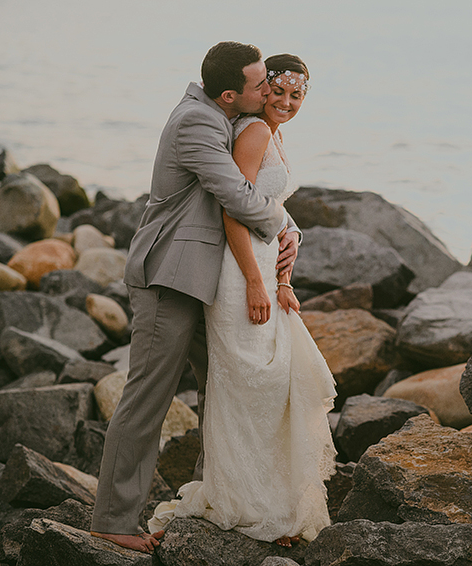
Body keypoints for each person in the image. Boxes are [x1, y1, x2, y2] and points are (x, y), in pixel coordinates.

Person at [90, 42, 301, 554]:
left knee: (227, 389)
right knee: (148, 396)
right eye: (259, 85)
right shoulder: (197, 123)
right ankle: (112, 520)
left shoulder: (228, 116)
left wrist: (287, 229)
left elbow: (252, 189)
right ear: (230, 94)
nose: (269, 89)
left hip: (211, 280)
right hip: (171, 276)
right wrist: (283, 224)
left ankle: (218, 503)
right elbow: (234, 194)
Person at [149, 54, 336, 547]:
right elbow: (233, 212)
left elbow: (268, 202)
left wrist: (288, 247)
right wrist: (258, 282)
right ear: (260, 90)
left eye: (297, 96)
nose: (287, 103)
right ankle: (246, 503)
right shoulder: (252, 132)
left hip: (263, 260)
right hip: (239, 271)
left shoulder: (272, 133)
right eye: (278, 92)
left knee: (262, 384)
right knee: (254, 381)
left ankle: (263, 499)